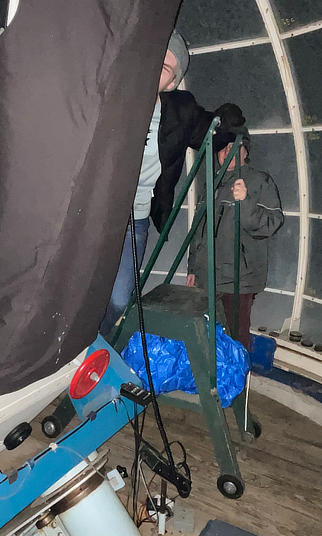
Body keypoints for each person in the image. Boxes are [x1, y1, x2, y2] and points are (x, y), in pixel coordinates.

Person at [98, 30, 242, 337]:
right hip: (93, 213)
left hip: (135, 220)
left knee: (120, 298)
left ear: (173, 82)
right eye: (153, 58)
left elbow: (210, 133)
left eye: (164, 67)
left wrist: (227, 124)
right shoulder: (112, 92)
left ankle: (95, 344)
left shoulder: (180, 110)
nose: (154, 68)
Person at [186, 130, 284, 350]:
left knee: (235, 342)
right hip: (205, 279)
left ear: (245, 152)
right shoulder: (212, 183)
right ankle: (211, 373)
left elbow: (272, 223)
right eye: (223, 147)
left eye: (234, 147)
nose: (227, 152)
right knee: (205, 339)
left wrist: (245, 202)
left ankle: (238, 374)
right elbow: (198, 229)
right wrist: (193, 268)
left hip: (237, 281)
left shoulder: (259, 182)